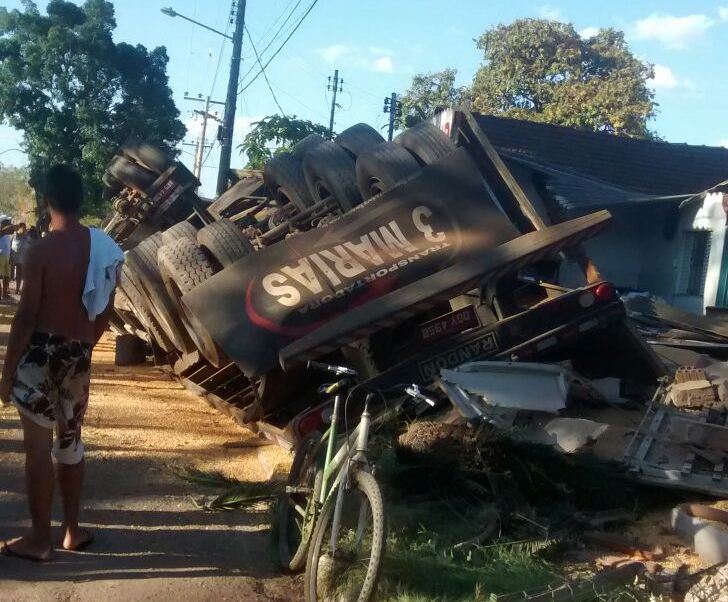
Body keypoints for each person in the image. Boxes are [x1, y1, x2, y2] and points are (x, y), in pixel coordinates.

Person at [0, 164, 122, 563]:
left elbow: (26, 317)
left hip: (39, 355)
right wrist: (84, 345)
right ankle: (72, 530)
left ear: (47, 199)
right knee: (70, 443)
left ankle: (39, 540)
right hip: (77, 354)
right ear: (80, 199)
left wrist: (6, 374)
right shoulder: (103, 249)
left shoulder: (40, 251)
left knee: (37, 450)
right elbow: (105, 310)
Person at [0, 216, 16, 300]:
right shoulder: (2, 231)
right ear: (3, 223)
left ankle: (5, 293)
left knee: (6, 276)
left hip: (6, 256)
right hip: (0, 255)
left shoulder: (7, 233)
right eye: (7, 221)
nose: (9, 222)